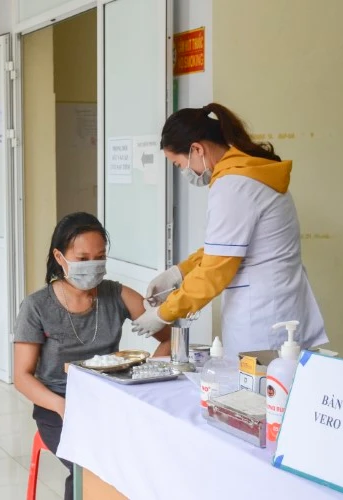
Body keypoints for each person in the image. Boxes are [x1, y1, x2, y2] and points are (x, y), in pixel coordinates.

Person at [131, 103, 328, 357]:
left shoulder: (234, 185)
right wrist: (178, 273)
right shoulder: (248, 173)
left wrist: (164, 313)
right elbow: (223, 247)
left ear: (197, 149)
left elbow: (215, 270)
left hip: (263, 318)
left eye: (179, 164)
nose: (184, 172)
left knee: (260, 391)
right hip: (276, 307)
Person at [14, 212, 171, 500]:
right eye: (83, 258)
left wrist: (149, 372)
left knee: (148, 459)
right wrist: (61, 406)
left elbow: (168, 336)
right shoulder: (37, 306)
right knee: (91, 466)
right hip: (58, 409)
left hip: (111, 402)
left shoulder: (116, 294)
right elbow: (21, 376)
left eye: (100, 257)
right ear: (60, 257)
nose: (93, 266)